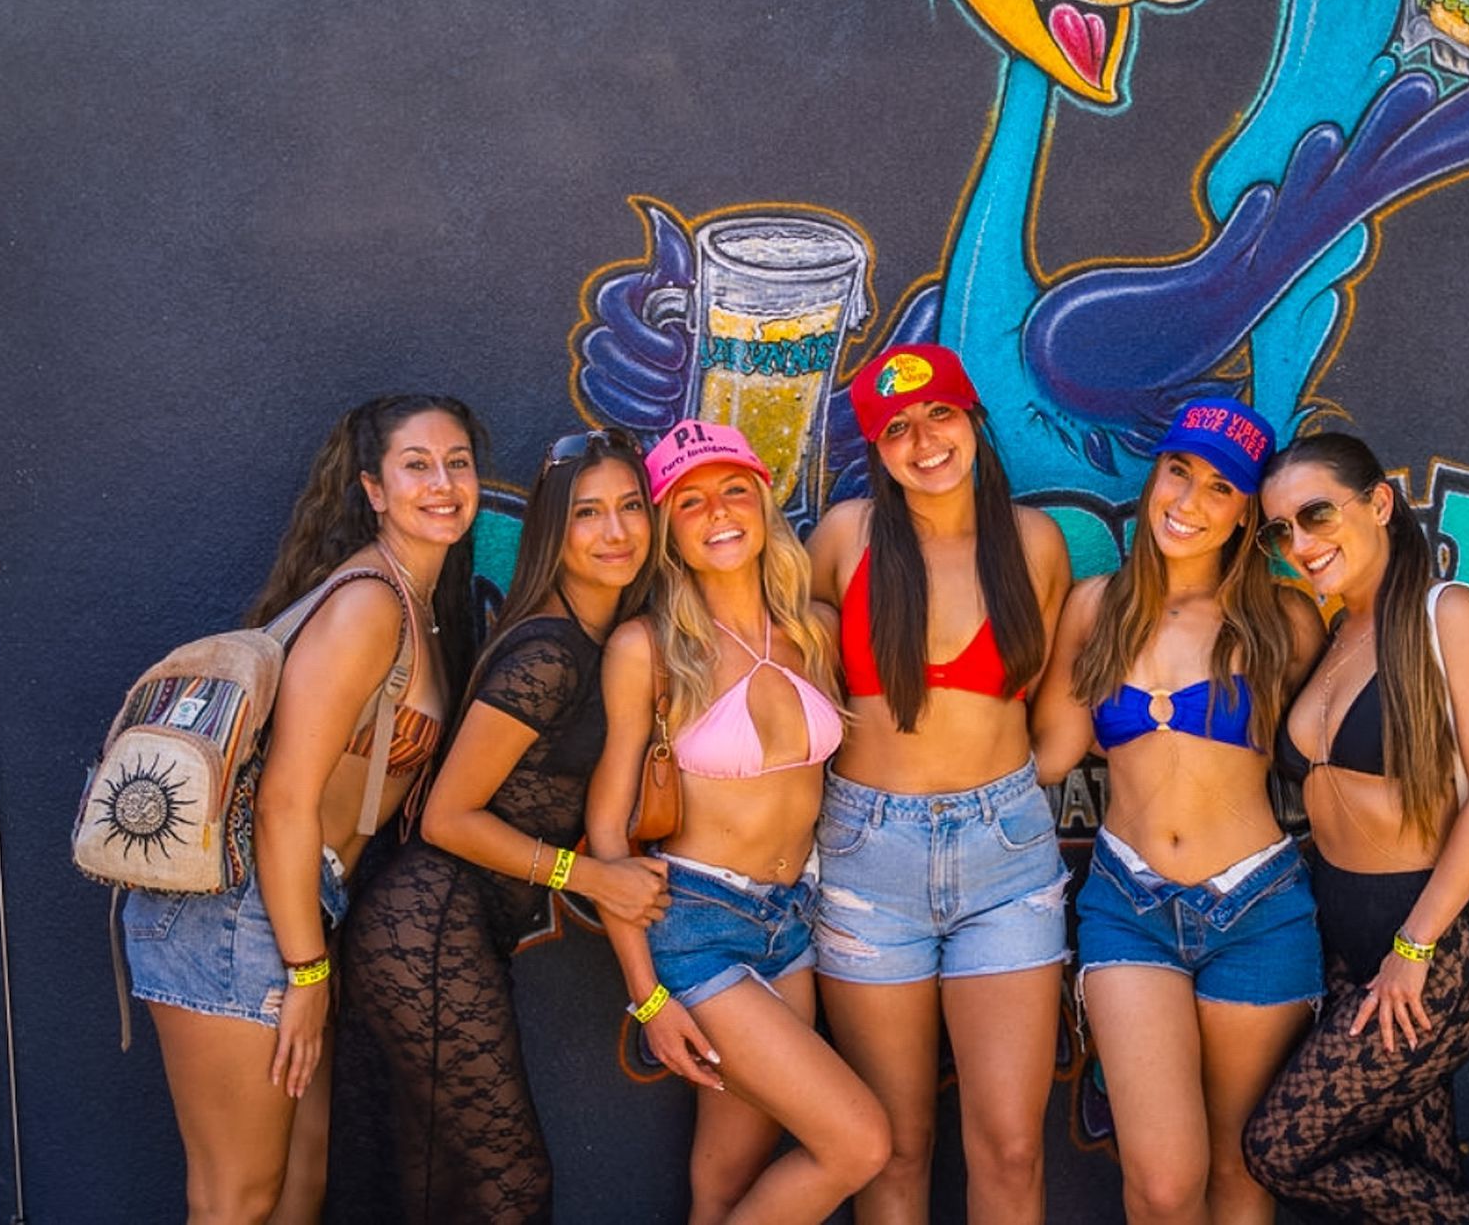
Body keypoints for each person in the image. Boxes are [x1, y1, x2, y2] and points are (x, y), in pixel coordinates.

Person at [122, 394, 484, 1224]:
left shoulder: (415, 604)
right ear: (374, 489)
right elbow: (285, 798)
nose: (443, 482)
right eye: (416, 465)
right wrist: (309, 971)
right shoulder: (367, 606)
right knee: (237, 1199)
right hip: (237, 912)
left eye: (457, 461)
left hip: (291, 909)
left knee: (297, 1186)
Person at [328, 427, 672, 1223]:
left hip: (456, 931)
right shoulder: (548, 652)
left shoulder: (597, 640)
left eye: (630, 508)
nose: (615, 532)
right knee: (509, 1187)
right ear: (555, 530)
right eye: (588, 514)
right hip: (429, 927)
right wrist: (587, 877)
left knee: (432, 1184)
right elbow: (448, 816)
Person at [1240, 433, 1469, 1225]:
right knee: (1416, 1174)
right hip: (1352, 945)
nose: (1301, 543)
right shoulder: (1334, 636)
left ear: (1380, 503)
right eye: (1280, 530)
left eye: (1316, 513)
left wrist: (1412, 950)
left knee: (1278, 1151)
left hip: (1440, 946)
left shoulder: (1446, 613)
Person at [1032, 397, 1326, 1225]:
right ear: (1154, 475)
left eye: (1221, 490)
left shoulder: (1284, 621)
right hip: (1128, 907)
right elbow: (1047, 755)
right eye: (1179, 472)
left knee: (1239, 1175)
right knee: (1162, 1186)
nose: (1189, 503)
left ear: (1244, 516)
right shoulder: (1095, 610)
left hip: (1259, 910)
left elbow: (1354, 716)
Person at [588, 420, 890, 1225]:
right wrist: (647, 998)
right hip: (696, 925)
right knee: (859, 1144)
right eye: (689, 501)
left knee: (725, 1183)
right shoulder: (646, 647)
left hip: (792, 925)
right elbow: (609, 835)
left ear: (762, 503)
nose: (717, 512)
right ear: (668, 532)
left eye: (732, 490)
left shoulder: (813, 629)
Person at [804, 344, 1072, 1225]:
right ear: (875, 451)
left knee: (1010, 1147)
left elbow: (1056, 712)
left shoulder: (1034, 544)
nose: (923, 442)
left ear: (973, 421)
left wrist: (1016, 800)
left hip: (1006, 859)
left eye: (940, 416)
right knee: (896, 1147)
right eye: (896, 430)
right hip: (867, 858)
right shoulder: (844, 537)